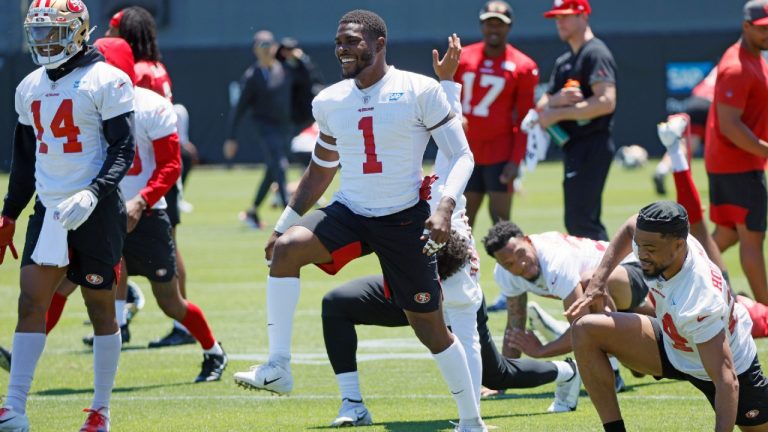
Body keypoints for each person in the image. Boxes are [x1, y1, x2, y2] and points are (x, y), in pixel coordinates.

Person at [233, 10, 485, 431]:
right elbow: (319, 171)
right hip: (351, 210)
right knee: (287, 250)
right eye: (338, 42)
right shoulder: (329, 100)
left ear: (379, 43)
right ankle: (278, 366)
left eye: (351, 41)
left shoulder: (417, 89)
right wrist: (283, 224)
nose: (342, 50)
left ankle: (471, 420)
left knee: (431, 329)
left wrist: (444, 206)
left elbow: (463, 155)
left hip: (405, 218)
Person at [320, 39, 578, 426]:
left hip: (452, 271)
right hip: (410, 276)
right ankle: (352, 403)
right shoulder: (408, 172)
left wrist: (449, 87)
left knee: (493, 371)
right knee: (337, 303)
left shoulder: (449, 171)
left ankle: (563, 375)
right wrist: (447, 84)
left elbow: (455, 143)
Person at [43, 37, 228, 384]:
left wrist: (141, 200)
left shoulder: (152, 105)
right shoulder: (85, 102)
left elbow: (171, 165)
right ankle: (25, 354)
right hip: (97, 213)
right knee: (62, 287)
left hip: (145, 214)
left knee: (171, 302)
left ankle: (214, 351)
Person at [0, 1, 135, 430]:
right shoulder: (29, 86)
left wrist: (95, 194)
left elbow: (123, 149)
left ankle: (100, 411)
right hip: (50, 208)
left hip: (95, 211)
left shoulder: (107, 79)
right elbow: (24, 161)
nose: (42, 41)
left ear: (77, 32)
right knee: (30, 301)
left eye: (52, 32)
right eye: (36, 33)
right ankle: (14, 407)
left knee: (100, 308)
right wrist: (8, 215)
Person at [566, 202, 768, 432]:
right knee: (585, 330)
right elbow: (631, 227)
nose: (641, 254)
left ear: (679, 245)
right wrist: (598, 282)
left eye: (650, 248)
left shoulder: (699, 296)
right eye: (639, 245)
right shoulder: (659, 239)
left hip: (727, 364)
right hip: (674, 346)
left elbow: (726, 380)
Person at [482, 221, 651, 391]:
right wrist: (501, 382)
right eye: (509, 264)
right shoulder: (505, 275)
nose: (521, 264)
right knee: (639, 368)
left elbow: (583, 327)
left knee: (589, 282)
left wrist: (542, 350)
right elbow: (515, 324)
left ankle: (612, 376)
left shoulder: (554, 260)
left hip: (630, 269)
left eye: (521, 254)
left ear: (527, 240)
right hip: (606, 298)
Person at [116, 6, 196, 347]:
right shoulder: (156, 66)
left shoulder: (139, 73)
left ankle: (178, 320)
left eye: (114, 30)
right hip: (155, 168)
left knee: (163, 247)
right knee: (168, 245)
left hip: (149, 171)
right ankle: (123, 319)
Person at [536, 0, 617, 241]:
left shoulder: (595, 53)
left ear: (583, 15)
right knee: (576, 220)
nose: (559, 22)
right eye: (556, 17)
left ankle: (609, 274)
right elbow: (542, 105)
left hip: (593, 144)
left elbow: (606, 101)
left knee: (583, 221)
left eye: (565, 16)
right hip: (574, 147)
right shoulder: (565, 61)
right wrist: (558, 99)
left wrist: (558, 112)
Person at [704, 0, 768, 305]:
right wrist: (764, 150)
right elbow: (729, 126)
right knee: (753, 237)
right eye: (763, 28)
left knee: (727, 234)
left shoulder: (753, 57)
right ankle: (766, 307)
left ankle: (676, 269)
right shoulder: (736, 67)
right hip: (739, 164)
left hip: (733, 162)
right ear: (746, 27)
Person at [454, 1, 538, 228]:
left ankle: (512, 264)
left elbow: (524, 119)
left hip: (500, 152)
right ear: (481, 25)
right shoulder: (462, 58)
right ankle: (461, 265)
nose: (494, 29)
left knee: (500, 222)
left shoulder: (523, 66)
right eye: (489, 23)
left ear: (508, 27)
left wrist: (515, 160)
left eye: (499, 24)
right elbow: (447, 102)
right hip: (465, 150)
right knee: (461, 220)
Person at [224, 30, 293, 229]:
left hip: (284, 128)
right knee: (280, 166)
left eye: (269, 44)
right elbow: (239, 109)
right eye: (262, 45)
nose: (266, 49)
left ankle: (252, 212)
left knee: (273, 171)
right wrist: (231, 137)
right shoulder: (251, 76)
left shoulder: (285, 69)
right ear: (255, 49)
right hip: (265, 128)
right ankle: (288, 218)